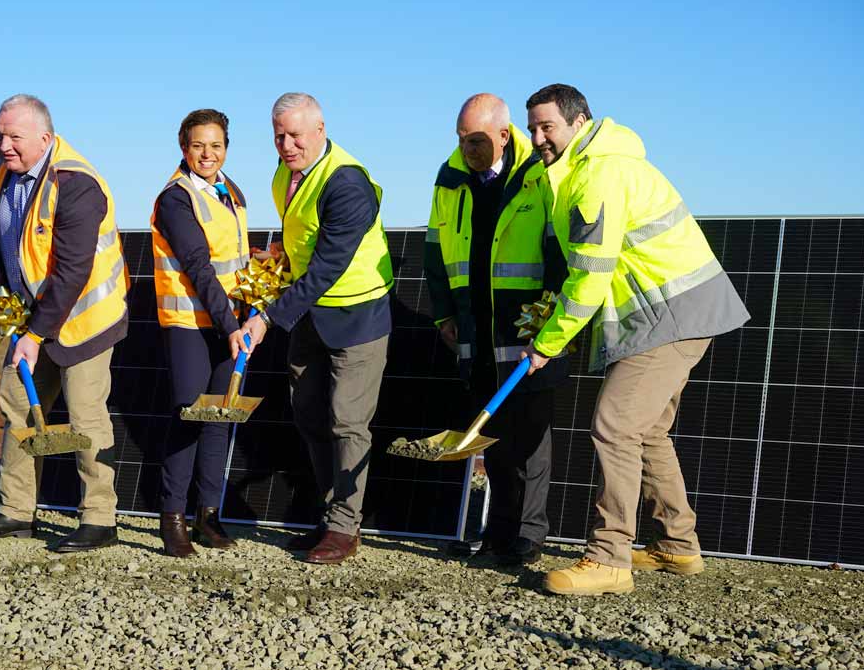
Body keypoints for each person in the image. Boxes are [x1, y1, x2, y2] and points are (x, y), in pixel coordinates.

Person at [521, 84, 750, 594]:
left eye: (547, 127)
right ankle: (677, 545)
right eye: (532, 127)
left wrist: (549, 343)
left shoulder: (599, 174)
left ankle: (609, 558)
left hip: (668, 314)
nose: (538, 137)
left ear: (579, 122)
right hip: (675, 312)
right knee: (646, 432)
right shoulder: (583, 168)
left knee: (614, 427)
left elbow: (592, 274)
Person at [0, 94, 130, 552]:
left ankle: (99, 519)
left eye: (14, 136)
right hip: (35, 315)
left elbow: (73, 270)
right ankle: (16, 512)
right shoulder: (7, 172)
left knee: (84, 416)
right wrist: (0, 272)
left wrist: (35, 335)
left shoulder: (77, 183)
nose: (4, 145)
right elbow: (11, 235)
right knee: (17, 405)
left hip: (85, 319)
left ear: (45, 138)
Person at [239, 92, 394, 565]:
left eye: (296, 135)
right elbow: (302, 239)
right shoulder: (285, 175)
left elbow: (328, 265)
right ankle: (330, 515)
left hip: (357, 315)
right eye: (278, 136)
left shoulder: (347, 183)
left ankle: (346, 527)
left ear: (321, 130)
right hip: (310, 316)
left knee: (347, 421)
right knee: (308, 415)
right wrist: (278, 257)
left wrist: (267, 317)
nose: (286, 145)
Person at [424, 93, 568, 566]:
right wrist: (445, 315)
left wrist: (545, 324)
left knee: (530, 434)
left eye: (478, 139)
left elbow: (558, 256)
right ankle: (497, 533)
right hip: (475, 329)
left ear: (505, 136)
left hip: (530, 329)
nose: (468, 147)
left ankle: (528, 535)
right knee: (495, 439)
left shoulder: (540, 176)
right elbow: (435, 253)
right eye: (462, 138)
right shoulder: (449, 183)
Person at [150, 109, 249, 557]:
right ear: (182, 147)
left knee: (219, 420)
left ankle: (208, 515)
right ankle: (172, 518)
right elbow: (197, 265)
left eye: (216, 145)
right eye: (198, 145)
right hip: (192, 323)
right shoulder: (175, 198)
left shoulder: (232, 192)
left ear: (226, 147)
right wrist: (231, 326)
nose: (207, 154)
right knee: (190, 418)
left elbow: (233, 260)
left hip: (231, 323)